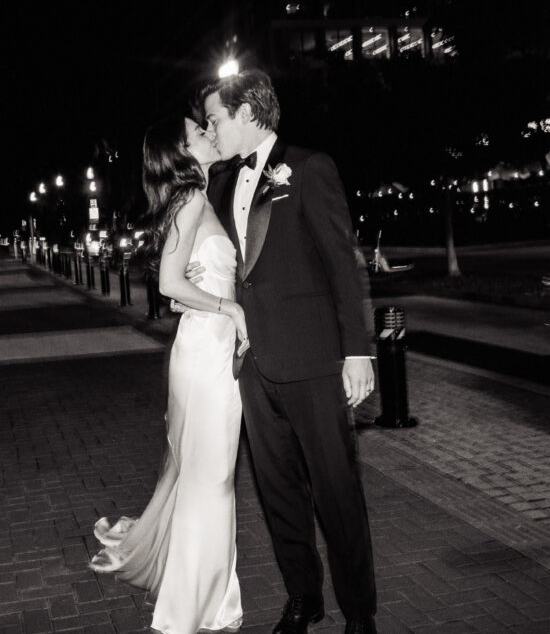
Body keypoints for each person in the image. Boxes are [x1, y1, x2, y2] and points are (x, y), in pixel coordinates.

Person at [198, 69, 378, 634]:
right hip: (254, 367)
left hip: (314, 360)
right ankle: (304, 597)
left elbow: (342, 264)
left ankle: (359, 614)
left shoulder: (309, 167)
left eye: (216, 119)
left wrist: (357, 352)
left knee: (337, 494)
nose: (211, 128)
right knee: (278, 497)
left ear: (248, 113)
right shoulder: (222, 184)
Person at [90, 115, 247, 634]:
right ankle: (192, 608)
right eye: (198, 130)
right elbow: (168, 281)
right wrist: (228, 307)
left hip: (205, 348)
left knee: (208, 476)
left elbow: (183, 285)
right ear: (183, 151)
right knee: (213, 480)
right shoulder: (193, 201)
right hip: (206, 357)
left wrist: (204, 301)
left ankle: (210, 594)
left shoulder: (197, 197)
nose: (207, 130)